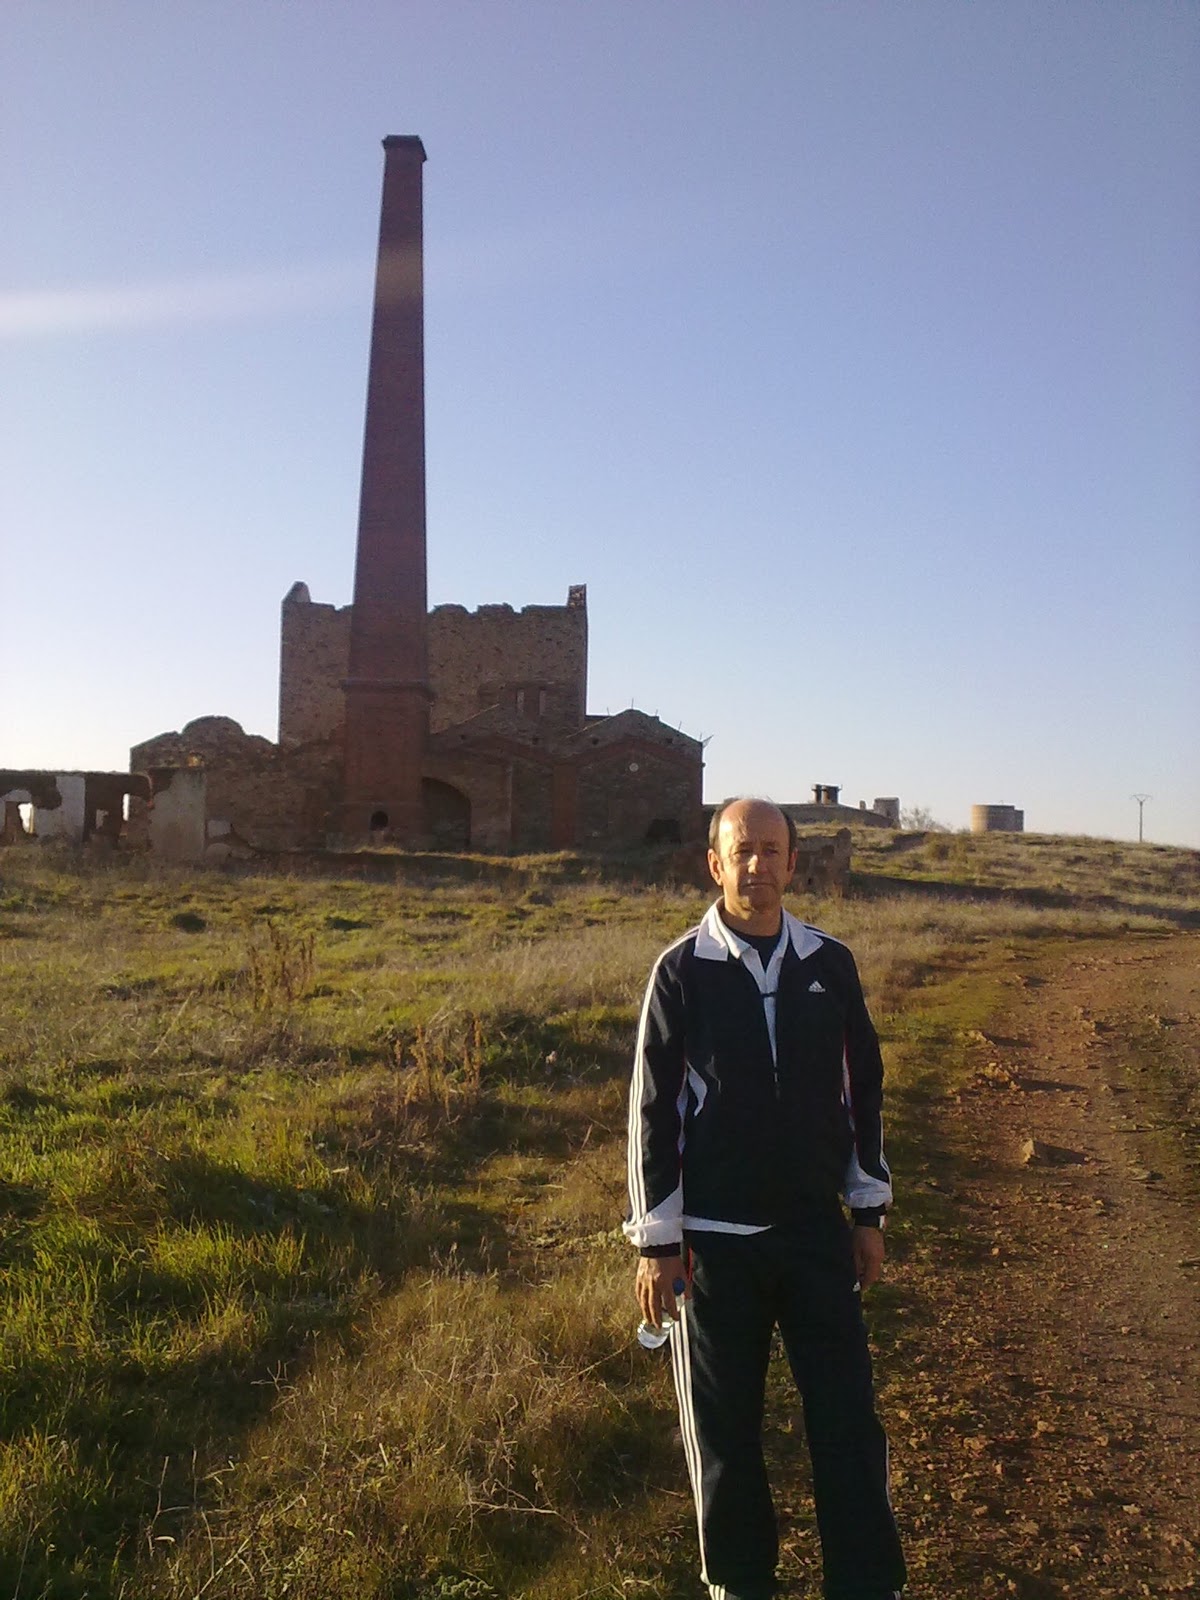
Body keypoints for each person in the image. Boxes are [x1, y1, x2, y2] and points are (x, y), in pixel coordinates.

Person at [624, 798, 906, 1600]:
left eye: (771, 850)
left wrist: (868, 1214)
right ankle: (739, 1586)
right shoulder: (681, 970)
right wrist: (656, 1241)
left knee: (849, 1426)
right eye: (741, 850)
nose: (758, 865)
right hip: (715, 1248)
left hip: (817, 1236)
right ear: (715, 864)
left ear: (792, 861)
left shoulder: (830, 963)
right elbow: (653, 1110)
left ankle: (867, 1583)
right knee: (724, 1438)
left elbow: (863, 1092)